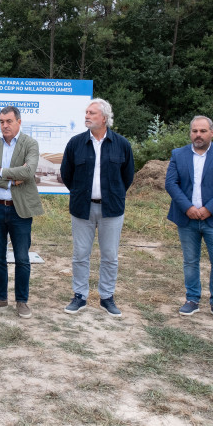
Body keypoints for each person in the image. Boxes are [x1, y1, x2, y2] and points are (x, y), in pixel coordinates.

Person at [59, 99, 134, 317]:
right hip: (82, 208)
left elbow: (127, 177)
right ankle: (79, 296)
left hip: (112, 210)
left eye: (91, 113)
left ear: (104, 117)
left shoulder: (122, 144)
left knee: (110, 256)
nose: (87, 116)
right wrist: (81, 192)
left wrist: (114, 195)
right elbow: (67, 174)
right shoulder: (75, 143)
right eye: (86, 112)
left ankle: (107, 297)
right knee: (80, 254)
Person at [165, 116, 213, 321]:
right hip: (186, 218)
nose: (198, 135)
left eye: (203, 131)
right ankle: (192, 299)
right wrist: (188, 207)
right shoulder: (178, 154)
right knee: (190, 261)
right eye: (195, 131)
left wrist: (208, 209)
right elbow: (171, 184)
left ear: (212, 133)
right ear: (190, 133)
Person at [0, 106, 44, 319]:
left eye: (9, 121)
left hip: (19, 211)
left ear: (19, 122)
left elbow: (29, 171)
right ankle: (0, 297)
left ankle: (21, 301)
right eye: (2, 121)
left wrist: (1, 171)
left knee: (22, 258)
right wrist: (10, 182)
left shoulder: (30, 144)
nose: (5, 125)